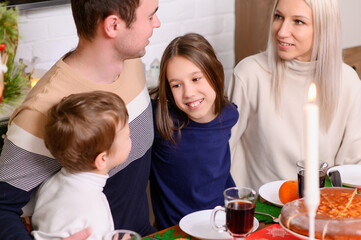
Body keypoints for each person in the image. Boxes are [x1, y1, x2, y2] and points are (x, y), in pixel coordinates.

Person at [0, 0, 160, 239]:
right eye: (150, 17)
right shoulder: (39, 112)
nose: (157, 23)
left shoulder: (131, 60)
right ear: (113, 25)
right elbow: (2, 209)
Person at [227, 0, 361, 191]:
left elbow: (352, 167)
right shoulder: (249, 74)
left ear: (324, 28)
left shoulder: (348, 81)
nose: (281, 32)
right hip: (258, 213)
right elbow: (222, 153)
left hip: (320, 209)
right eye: (278, 16)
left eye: (298, 21)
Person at [149, 33, 239, 229]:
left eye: (196, 78)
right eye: (176, 85)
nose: (188, 93)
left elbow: (219, 168)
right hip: (175, 231)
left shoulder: (230, 114)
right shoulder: (159, 120)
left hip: (219, 225)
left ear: (215, 73)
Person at [31, 91, 131, 239]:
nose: (131, 136)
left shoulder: (52, 184)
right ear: (102, 159)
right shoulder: (93, 212)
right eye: (127, 136)